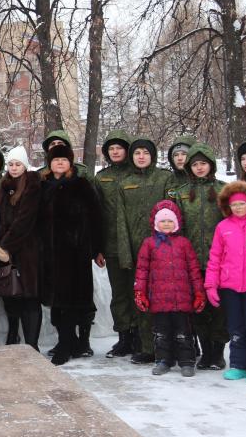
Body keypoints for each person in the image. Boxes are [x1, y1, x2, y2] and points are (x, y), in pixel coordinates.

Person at [38, 144, 103, 365]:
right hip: (50, 254)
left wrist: (96, 249)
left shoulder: (81, 185)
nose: (59, 163)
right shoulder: (43, 186)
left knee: (74, 301)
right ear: (50, 163)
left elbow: (96, 217)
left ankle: (70, 344)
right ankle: (67, 341)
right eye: (55, 160)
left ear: (70, 163)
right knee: (58, 302)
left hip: (75, 253)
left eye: (64, 160)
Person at [119, 137, 176, 364]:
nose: (141, 156)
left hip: (163, 250)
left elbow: (173, 214)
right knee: (141, 298)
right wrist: (125, 253)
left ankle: (169, 346)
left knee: (166, 299)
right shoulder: (125, 182)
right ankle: (146, 347)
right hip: (137, 251)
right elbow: (120, 220)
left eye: (145, 152)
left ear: (152, 155)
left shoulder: (164, 178)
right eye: (136, 153)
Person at [133, 200, 205, 377]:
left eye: (170, 221)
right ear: (156, 223)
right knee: (161, 333)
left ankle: (187, 361)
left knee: (183, 332)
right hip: (159, 299)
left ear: (177, 223)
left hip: (181, 299)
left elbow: (194, 270)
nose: (166, 224)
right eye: (163, 221)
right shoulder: (149, 243)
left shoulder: (184, 243)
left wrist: (198, 292)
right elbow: (142, 270)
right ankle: (163, 360)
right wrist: (140, 292)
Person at [172, 143, 228, 370]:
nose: (199, 168)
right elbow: (177, 227)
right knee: (199, 307)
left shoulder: (224, 190)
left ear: (211, 165)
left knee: (220, 309)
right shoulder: (183, 193)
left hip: (221, 262)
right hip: (193, 261)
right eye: (195, 164)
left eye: (203, 163)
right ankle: (206, 352)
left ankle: (219, 352)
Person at [204, 181, 246, 383]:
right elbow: (215, 258)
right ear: (227, 207)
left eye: (241, 203)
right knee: (235, 328)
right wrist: (211, 285)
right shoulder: (223, 228)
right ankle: (238, 364)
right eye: (234, 205)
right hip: (230, 286)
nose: (238, 208)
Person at [0, 145, 43, 350]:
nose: (14, 167)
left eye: (18, 164)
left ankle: (32, 344)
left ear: (25, 165)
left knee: (30, 297)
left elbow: (25, 219)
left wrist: (5, 246)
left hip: (27, 250)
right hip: (5, 252)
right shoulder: (5, 186)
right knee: (11, 294)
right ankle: (13, 336)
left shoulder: (32, 185)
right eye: (11, 164)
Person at [94, 130, 135, 358]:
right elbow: (98, 214)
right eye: (111, 148)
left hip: (136, 244)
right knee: (119, 293)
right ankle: (124, 337)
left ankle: (141, 335)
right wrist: (98, 247)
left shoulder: (137, 174)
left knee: (137, 291)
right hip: (111, 245)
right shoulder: (102, 177)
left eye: (119, 147)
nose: (116, 151)